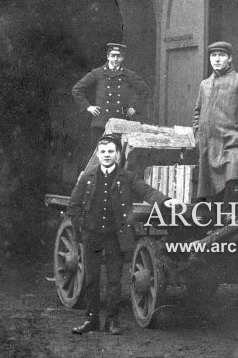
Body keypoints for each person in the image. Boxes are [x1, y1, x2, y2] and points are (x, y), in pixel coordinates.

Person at [67, 134, 169, 335]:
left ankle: (112, 321)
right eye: (103, 152)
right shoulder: (87, 178)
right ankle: (91, 320)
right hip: (93, 235)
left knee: (114, 280)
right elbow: (73, 206)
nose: (106, 155)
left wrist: (165, 201)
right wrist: (83, 226)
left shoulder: (127, 177)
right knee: (91, 278)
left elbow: (146, 191)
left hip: (116, 236)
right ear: (98, 153)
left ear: (118, 154)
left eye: (110, 151)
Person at [192, 41, 238, 204]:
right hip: (209, 147)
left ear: (230, 58)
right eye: (213, 56)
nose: (217, 59)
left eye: (221, 55)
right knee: (210, 195)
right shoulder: (205, 84)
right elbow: (197, 112)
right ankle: (213, 227)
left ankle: (230, 226)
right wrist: (197, 134)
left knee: (230, 186)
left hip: (231, 146)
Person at [72, 43, 151, 149]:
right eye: (113, 55)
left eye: (118, 56)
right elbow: (77, 89)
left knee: (119, 154)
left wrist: (134, 107)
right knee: (98, 154)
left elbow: (145, 91)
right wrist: (88, 106)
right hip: (101, 122)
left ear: (122, 58)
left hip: (121, 122)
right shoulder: (97, 73)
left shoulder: (129, 74)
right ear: (108, 56)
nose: (115, 59)